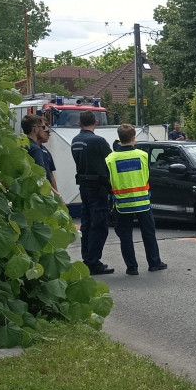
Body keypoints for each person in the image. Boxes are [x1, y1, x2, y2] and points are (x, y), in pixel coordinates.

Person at [104, 124, 169, 276]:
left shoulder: (110, 159)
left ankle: (132, 267)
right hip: (143, 202)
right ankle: (154, 263)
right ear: (133, 138)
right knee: (148, 233)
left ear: (119, 138)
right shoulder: (142, 155)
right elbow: (147, 175)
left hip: (122, 203)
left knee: (125, 236)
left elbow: (108, 181)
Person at [70, 109, 114, 275]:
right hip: (98, 186)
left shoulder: (75, 141)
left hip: (84, 185)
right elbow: (110, 162)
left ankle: (87, 258)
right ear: (96, 122)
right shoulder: (98, 141)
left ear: (80, 123)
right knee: (99, 224)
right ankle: (94, 261)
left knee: (87, 223)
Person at [21, 113, 59, 196]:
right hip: (39, 193)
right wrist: (57, 195)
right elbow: (41, 176)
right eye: (43, 127)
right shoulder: (35, 149)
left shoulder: (22, 144)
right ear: (35, 129)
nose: (46, 130)